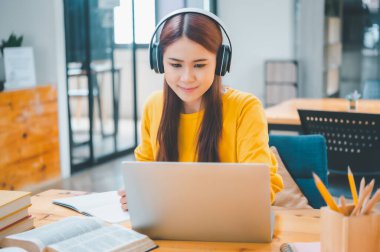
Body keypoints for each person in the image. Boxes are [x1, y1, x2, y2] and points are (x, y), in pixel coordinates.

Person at [119, 8, 283, 211]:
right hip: (166, 226)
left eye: (199, 65)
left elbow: (261, 191)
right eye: (176, 65)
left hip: (227, 228)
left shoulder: (245, 108)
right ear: (160, 63)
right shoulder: (154, 106)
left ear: (220, 63)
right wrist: (135, 192)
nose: (187, 77)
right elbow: (143, 172)